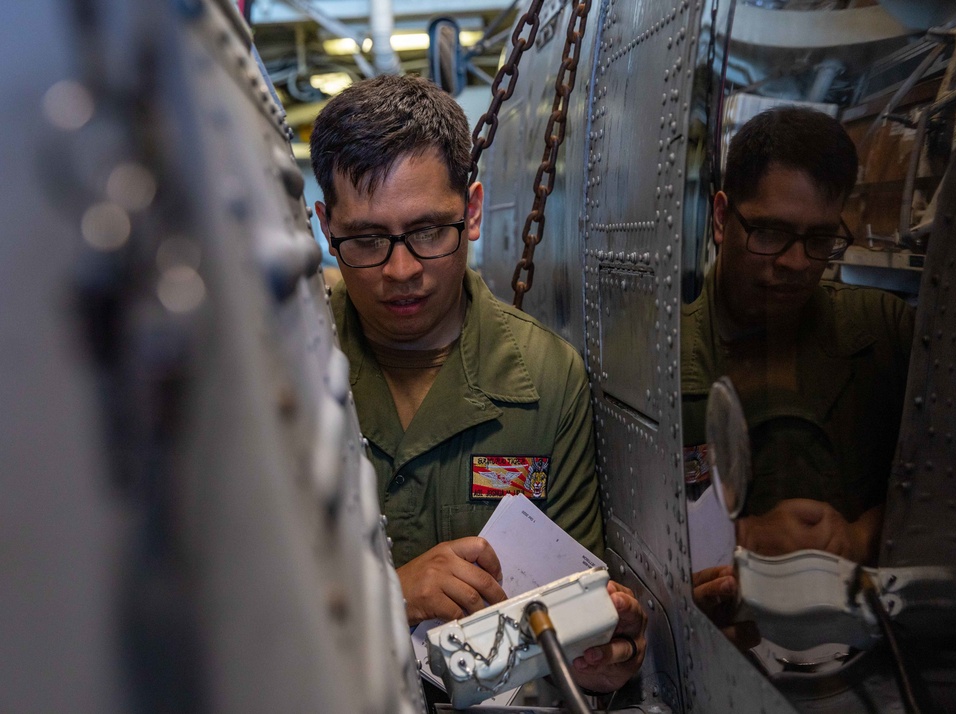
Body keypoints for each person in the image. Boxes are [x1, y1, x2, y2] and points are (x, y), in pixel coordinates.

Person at [309, 74, 645, 693]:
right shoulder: (289, 375)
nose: (401, 270)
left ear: (473, 211)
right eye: (366, 239)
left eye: (429, 231)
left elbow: (572, 620)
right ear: (325, 226)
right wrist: (386, 595)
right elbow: (229, 591)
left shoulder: (547, 381)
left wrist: (598, 657)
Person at [682, 106, 915, 613]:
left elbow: (944, 479)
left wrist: (861, 537)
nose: (795, 263)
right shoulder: (667, 361)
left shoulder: (885, 332)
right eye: (770, 233)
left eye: (819, 240)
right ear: (722, 218)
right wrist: (742, 538)